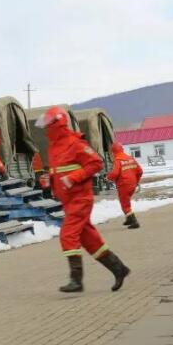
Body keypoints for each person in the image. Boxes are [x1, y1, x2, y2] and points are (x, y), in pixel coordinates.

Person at [35, 106, 130, 292]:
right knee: (90, 240)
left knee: (67, 235)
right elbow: (59, 170)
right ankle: (119, 269)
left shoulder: (75, 143)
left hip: (80, 199)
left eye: (48, 124)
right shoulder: (54, 147)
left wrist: (73, 178)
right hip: (68, 201)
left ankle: (76, 280)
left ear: (57, 124)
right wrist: (49, 180)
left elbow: (96, 163)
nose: (45, 129)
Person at [107, 142, 143, 229]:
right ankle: (129, 219)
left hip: (124, 185)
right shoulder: (130, 158)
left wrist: (108, 177)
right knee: (126, 201)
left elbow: (115, 173)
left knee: (125, 204)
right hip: (132, 184)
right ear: (122, 149)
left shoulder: (118, 160)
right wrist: (136, 181)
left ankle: (134, 222)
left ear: (113, 152)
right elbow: (140, 171)